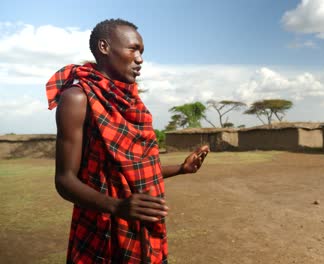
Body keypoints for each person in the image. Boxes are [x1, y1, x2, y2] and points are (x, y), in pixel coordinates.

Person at [46, 18, 209, 263]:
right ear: (104, 47)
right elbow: (64, 180)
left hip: (143, 226)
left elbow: (132, 171)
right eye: (133, 49)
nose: (140, 59)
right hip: (101, 230)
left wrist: (182, 169)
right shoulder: (77, 99)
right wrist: (117, 206)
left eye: (141, 52)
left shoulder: (132, 102)